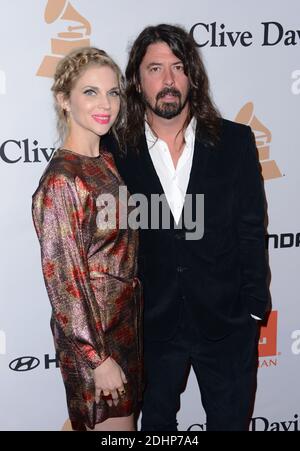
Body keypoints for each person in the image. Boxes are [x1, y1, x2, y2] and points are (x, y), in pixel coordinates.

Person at [111, 24, 269, 431]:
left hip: (228, 322)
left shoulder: (234, 141)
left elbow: (251, 228)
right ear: (136, 80)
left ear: (192, 76)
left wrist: (254, 307)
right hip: (150, 328)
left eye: (178, 67)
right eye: (155, 68)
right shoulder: (114, 152)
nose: (168, 81)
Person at [32, 47, 142, 431]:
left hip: (121, 329)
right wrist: (97, 358)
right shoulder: (64, 178)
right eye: (90, 92)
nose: (106, 104)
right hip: (94, 342)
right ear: (64, 100)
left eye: (113, 93)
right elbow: (64, 278)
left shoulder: (106, 162)